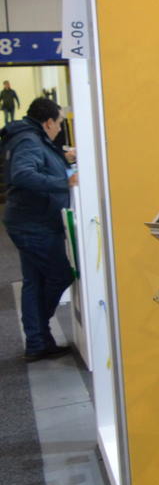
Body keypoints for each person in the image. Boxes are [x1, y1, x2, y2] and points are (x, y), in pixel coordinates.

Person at [2, 97, 77, 361]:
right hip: (34, 225)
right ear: (47, 123)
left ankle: (37, 342)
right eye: (58, 123)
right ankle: (39, 329)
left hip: (30, 221)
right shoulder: (29, 140)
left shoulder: (31, 137)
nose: (59, 128)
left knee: (34, 282)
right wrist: (64, 182)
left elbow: (38, 163)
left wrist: (62, 158)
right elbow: (23, 174)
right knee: (59, 276)